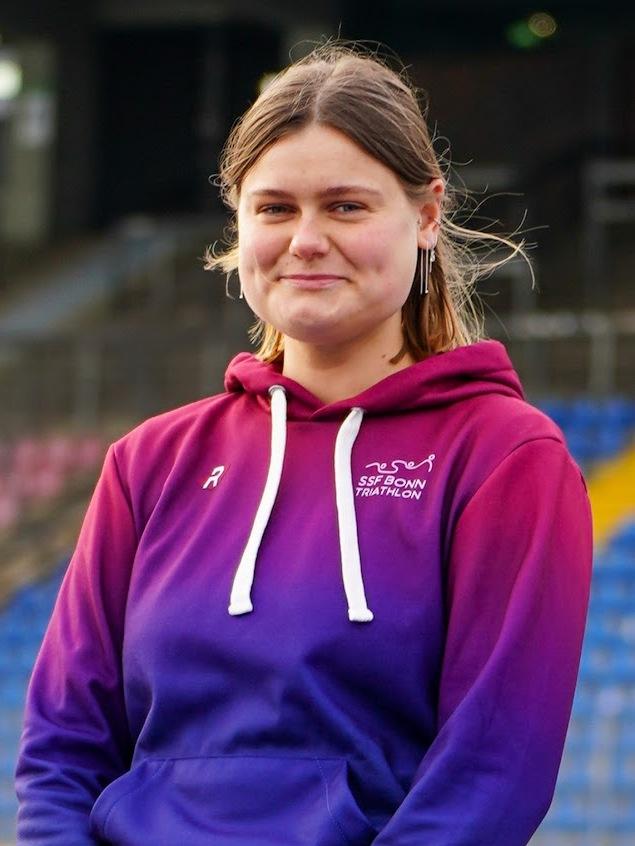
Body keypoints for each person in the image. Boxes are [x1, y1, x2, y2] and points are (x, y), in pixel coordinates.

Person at [15, 42, 593, 845]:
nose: (306, 239)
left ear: (427, 215)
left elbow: (491, 775)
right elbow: (61, 749)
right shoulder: (150, 460)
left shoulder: (504, 457)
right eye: (275, 208)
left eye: (345, 207)